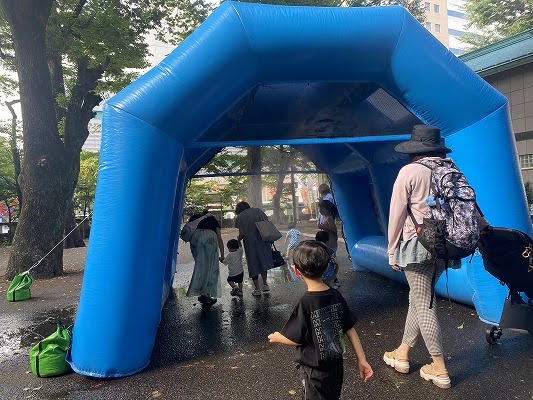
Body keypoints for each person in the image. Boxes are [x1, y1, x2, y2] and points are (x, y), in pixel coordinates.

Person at [385, 124, 468, 389]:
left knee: (424, 303)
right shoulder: (451, 170)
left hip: (418, 245)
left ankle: (439, 368)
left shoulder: (409, 171)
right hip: (446, 245)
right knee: (419, 298)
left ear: (414, 150)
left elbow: (396, 214)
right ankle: (402, 353)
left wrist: (391, 250)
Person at [268, 240, 373, 399]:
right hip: (336, 367)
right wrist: (362, 359)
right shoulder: (336, 295)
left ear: (296, 271)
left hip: (314, 372)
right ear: (326, 268)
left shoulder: (304, 304)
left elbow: (295, 338)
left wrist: (277, 337)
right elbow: (349, 328)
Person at [234, 201, 276, 297]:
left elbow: (242, 233)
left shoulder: (240, 217)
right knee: (263, 262)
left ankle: (257, 289)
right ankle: (265, 285)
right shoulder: (258, 211)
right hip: (263, 240)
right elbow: (266, 222)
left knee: (253, 264)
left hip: (250, 244)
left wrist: (238, 239)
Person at [186, 210, 224, 306]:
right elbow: (219, 238)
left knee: (200, 267)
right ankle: (206, 294)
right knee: (210, 268)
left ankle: (201, 292)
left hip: (196, 239)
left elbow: (188, 230)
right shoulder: (212, 219)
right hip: (210, 238)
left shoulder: (195, 217)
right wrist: (222, 254)